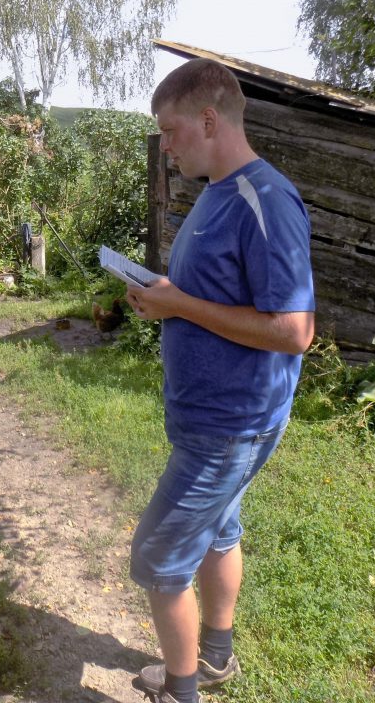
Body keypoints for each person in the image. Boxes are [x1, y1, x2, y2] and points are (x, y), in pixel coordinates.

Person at [124, 59, 315, 703]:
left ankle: (180, 691)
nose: (165, 145)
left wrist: (178, 305)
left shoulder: (267, 200)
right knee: (219, 532)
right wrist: (162, 297)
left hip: (232, 424)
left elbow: (294, 331)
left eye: (170, 130)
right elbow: (207, 295)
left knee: (157, 558)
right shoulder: (215, 191)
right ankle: (216, 658)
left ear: (208, 120)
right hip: (210, 417)